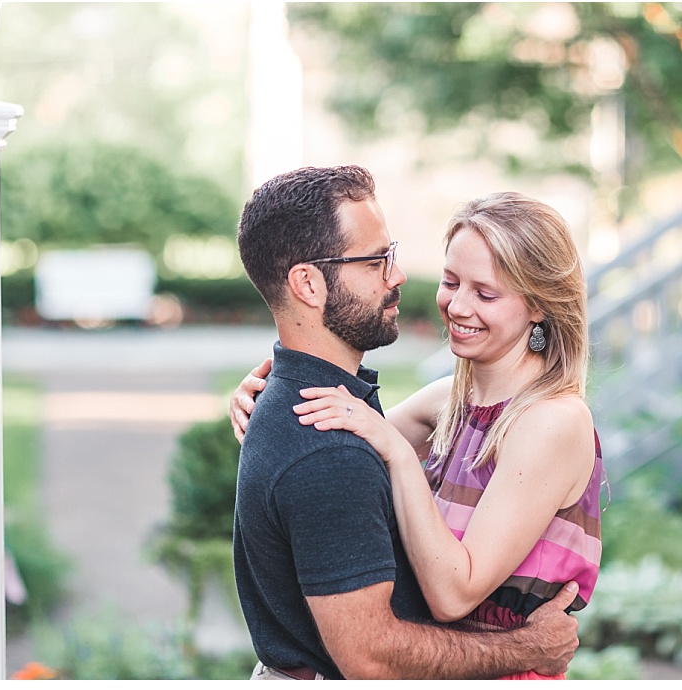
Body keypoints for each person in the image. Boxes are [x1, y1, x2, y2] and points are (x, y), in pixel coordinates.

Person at [234, 191, 605, 679]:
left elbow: (455, 594)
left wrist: (400, 456)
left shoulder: (552, 422)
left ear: (538, 306)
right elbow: (330, 455)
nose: (458, 306)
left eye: (486, 293)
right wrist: (267, 404)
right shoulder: (447, 405)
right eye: (451, 281)